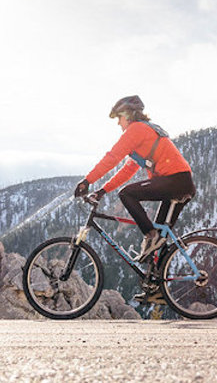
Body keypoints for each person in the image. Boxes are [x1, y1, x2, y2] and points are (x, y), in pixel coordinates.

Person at [74, 95, 196, 301]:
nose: (119, 124)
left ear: (127, 115)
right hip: (178, 182)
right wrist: (102, 191)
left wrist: (87, 181)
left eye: (119, 119)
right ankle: (157, 289)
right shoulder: (143, 134)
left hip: (176, 181)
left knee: (128, 194)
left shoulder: (137, 130)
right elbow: (127, 170)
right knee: (158, 242)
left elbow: (112, 157)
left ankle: (151, 235)